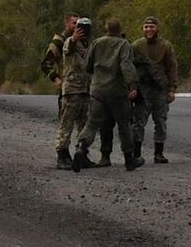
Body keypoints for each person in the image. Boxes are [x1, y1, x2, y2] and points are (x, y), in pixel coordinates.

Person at [71, 18, 155, 171]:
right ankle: (129, 158)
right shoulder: (123, 44)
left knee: (92, 123)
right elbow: (126, 65)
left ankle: (81, 148)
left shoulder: (96, 43)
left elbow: (88, 66)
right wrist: (132, 85)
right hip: (117, 91)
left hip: (97, 90)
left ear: (106, 29)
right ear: (119, 29)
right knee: (124, 125)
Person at [130, 16, 179, 164]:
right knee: (139, 122)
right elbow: (129, 67)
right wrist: (132, 88)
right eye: (146, 27)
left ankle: (159, 153)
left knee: (161, 122)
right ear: (142, 29)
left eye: (151, 27)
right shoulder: (136, 46)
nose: (149, 30)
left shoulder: (166, 45)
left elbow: (172, 67)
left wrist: (172, 89)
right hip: (142, 90)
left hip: (160, 89)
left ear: (157, 28)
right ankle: (136, 153)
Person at [51, 16, 92, 167]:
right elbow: (69, 47)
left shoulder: (88, 46)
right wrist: (74, 38)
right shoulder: (69, 41)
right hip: (71, 90)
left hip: (85, 89)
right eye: (78, 25)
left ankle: (81, 154)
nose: (81, 29)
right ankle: (62, 155)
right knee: (66, 124)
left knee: (84, 125)